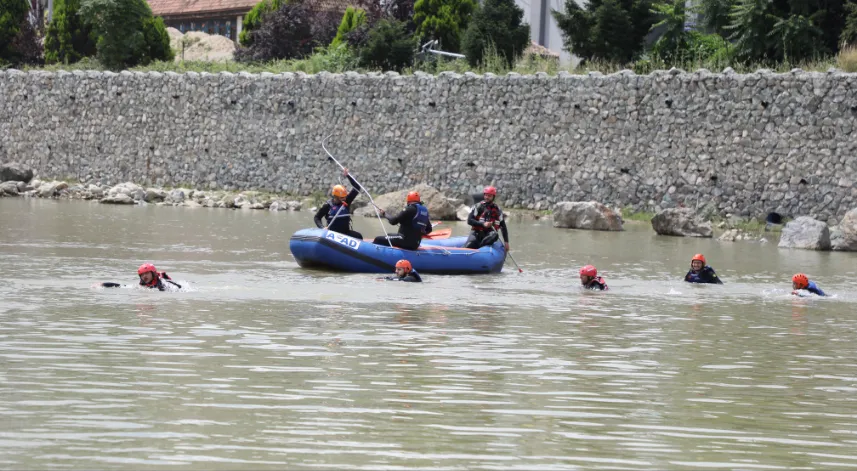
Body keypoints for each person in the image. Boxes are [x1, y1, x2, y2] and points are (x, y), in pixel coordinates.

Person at [314, 168, 363, 239]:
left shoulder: (347, 201)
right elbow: (317, 218)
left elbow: (357, 187)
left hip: (345, 233)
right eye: (342, 197)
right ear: (336, 197)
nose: (344, 199)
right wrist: (322, 228)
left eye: (345, 197)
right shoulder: (328, 205)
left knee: (359, 236)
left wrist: (348, 176)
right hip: (333, 235)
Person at [465, 186, 510, 251]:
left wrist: (506, 242)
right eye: (486, 195)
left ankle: (480, 249)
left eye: (489, 196)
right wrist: (483, 224)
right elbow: (469, 221)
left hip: (488, 235)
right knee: (469, 245)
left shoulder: (497, 210)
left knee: (495, 235)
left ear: (493, 197)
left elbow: (503, 227)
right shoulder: (478, 206)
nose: (487, 197)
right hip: (476, 233)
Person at [99, 263, 182, 291]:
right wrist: (103, 284)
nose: (144, 276)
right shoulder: (141, 286)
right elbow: (121, 286)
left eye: (146, 273)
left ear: (153, 274)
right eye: (142, 274)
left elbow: (179, 288)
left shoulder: (164, 284)